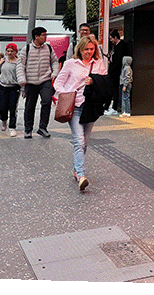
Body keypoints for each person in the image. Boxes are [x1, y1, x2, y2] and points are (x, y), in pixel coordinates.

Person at [55, 36, 109, 191]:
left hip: (91, 107)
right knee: (79, 141)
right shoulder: (70, 63)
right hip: (75, 106)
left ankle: (75, 169)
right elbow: (58, 83)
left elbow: (105, 81)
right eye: (86, 49)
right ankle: (81, 174)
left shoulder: (98, 63)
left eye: (92, 49)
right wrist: (68, 94)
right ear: (80, 49)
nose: (89, 52)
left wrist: (94, 81)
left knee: (85, 142)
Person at [17, 26, 59, 139]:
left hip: (45, 80)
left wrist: (54, 73)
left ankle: (43, 128)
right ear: (36, 36)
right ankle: (28, 129)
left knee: (47, 101)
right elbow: (20, 65)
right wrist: (22, 79)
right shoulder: (26, 49)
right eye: (44, 35)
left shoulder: (48, 48)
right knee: (30, 106)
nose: (46, 37)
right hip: (30, 82)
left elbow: (55, 61)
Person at [0, 43, 21, 137]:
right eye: (8, 51)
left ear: (16, 52)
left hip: (14, 87)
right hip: (3, 86)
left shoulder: (19, 62)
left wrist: (23, 89)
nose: (10, 53)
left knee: (13, 108)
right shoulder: (3, 60)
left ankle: (12, 127)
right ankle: (4, 120)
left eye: (12, 51)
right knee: (2, 107)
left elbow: (21, 75)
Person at [107, 29, 128, 115]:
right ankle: (113, 107)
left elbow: (118, 61)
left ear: (116, 37)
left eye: (111, 38)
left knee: (115, 90)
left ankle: (115, 107)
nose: (111, 40)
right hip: (113, 71)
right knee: (113, 89)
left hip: (116, 72)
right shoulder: (116, 47)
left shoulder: (121, 46)